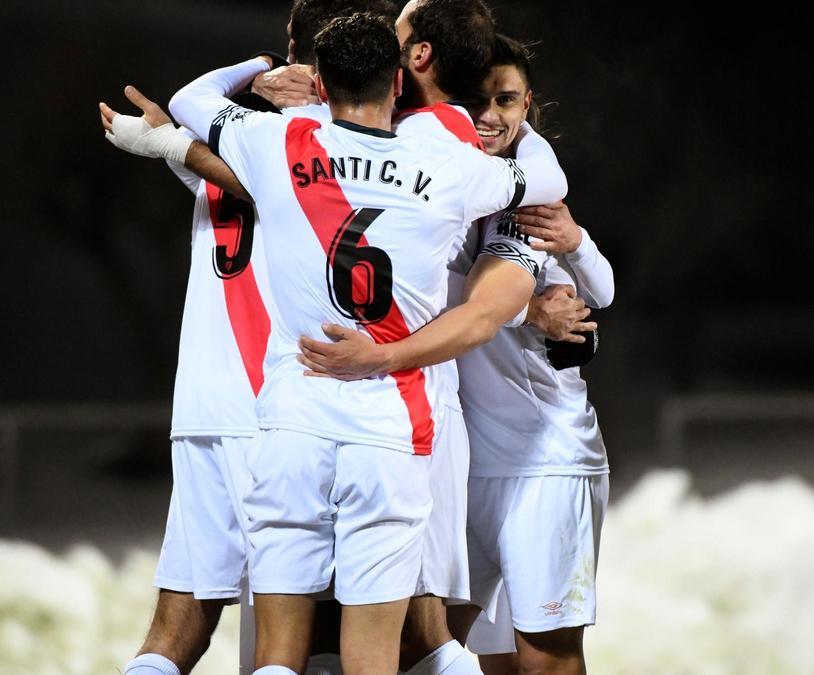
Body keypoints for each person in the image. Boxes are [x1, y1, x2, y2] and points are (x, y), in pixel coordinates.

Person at [163, 12, 566, 673]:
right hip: (389, 430)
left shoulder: (282, 141)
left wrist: (262, 70)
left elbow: (187, 103)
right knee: (380, 651)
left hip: (293, 421)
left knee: (275, 654)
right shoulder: (445, 169)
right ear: (397, 78)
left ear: (319, 81)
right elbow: (542, 178)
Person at [302, 34, 614, 675]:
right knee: (434, 650)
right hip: (461, 458)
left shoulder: (526, 200)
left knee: (543, 658)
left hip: (542, 461)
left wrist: (555, 273)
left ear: (529, 104)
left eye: (505, 100)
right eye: (477, 99)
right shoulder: (436, 176)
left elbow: (488, 307)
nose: (489, 115)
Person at [97, 3, 395, 674]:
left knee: (179, 628)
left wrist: (186, 127)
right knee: (322, 639)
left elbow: (196, 135)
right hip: (286, 410)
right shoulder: (357, 150)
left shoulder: (233, 138)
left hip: (203, 404)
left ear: (292, 49)